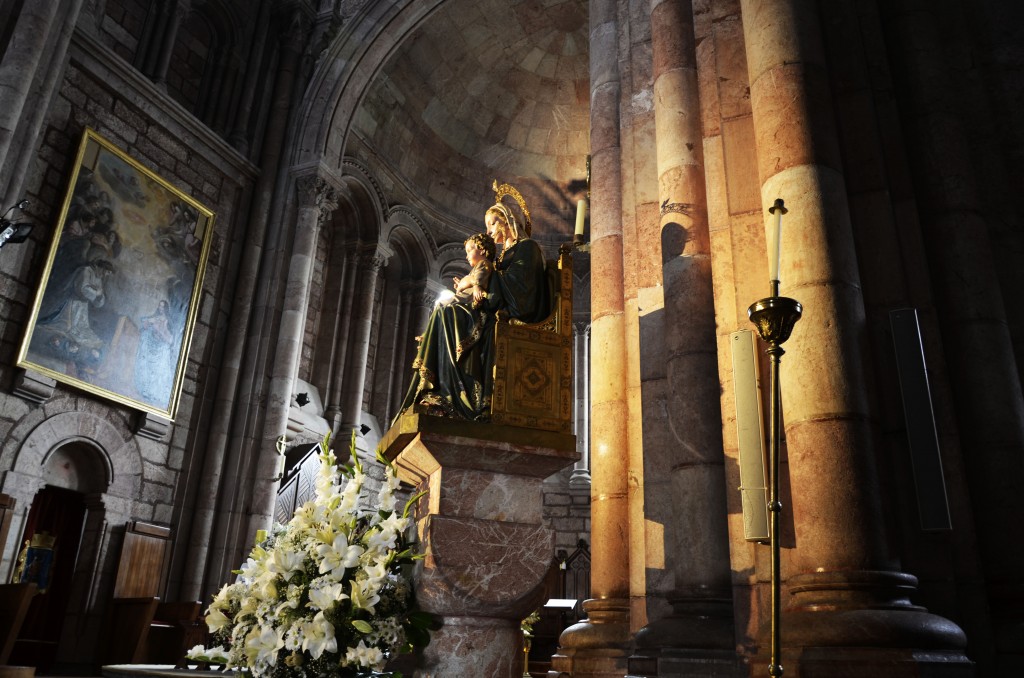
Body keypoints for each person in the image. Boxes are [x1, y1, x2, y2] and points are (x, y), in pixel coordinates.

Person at [397, 188, 548, 421]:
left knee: (449, 317)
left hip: (512, 313)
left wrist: (472, 281)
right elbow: (488, 283)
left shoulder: (528, 248)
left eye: (492, 224)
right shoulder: (500, 257)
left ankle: (459, 398)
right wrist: (474, 283)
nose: (488, 231)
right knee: (443, 313)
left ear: (507, 221)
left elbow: (522, 288)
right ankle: (441, 393)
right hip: (492, 308)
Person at [452, 232, 496, 304]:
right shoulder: (477, 267)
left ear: (482, 250)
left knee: (444, 307)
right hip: (467, 296)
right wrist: (462, 285)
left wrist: (477, 286)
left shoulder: (484, 263)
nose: (467, 256)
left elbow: (480, 275)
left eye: (469, 251)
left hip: (470, 297)